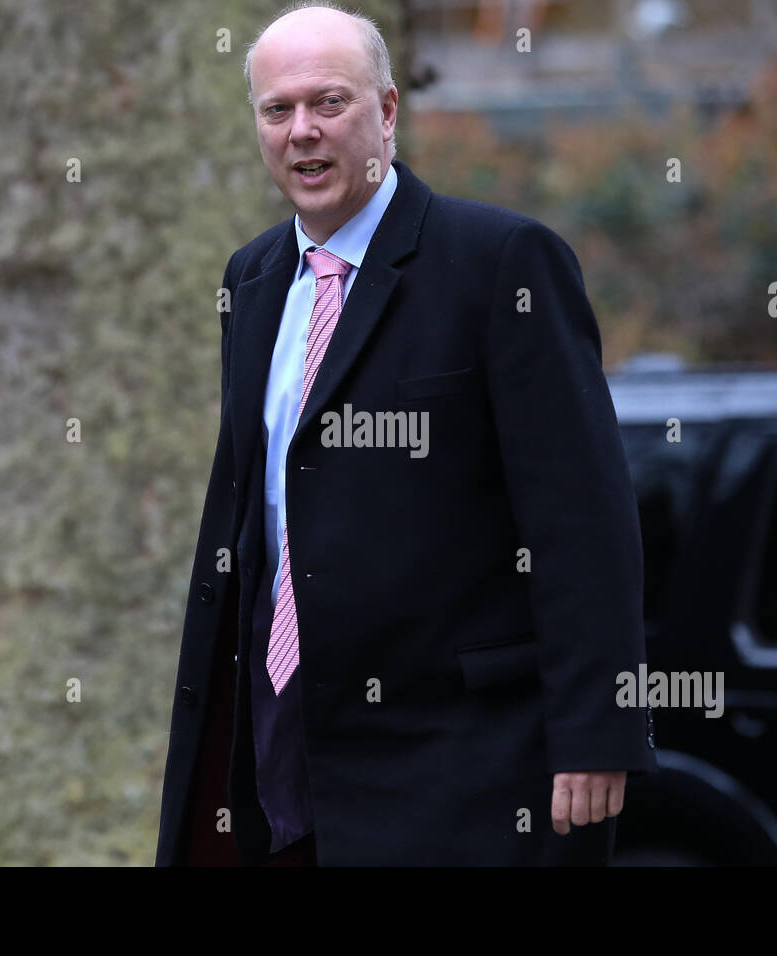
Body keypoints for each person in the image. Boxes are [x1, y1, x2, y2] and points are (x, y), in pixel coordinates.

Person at [155, 0, 656, 867]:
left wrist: (597, 733)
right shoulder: (253, 278)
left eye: (330, 103)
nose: (303, 132)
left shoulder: (501, 263)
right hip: (284, 756)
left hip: (465, 765)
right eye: (278, 111)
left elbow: (584, 518)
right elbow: (255, 508)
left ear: (388, 111)